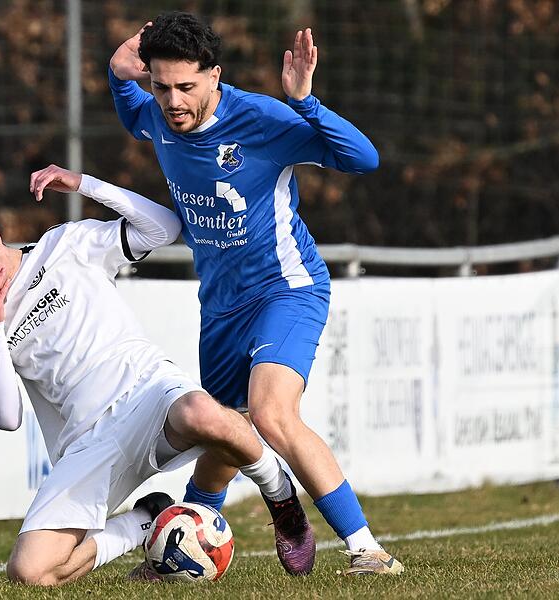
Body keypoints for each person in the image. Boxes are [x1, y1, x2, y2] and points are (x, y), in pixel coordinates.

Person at [0, 164, 309, 586]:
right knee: (30, 572)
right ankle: (143, 520)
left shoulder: (66, 245)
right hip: (87, 445)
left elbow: (164, 227)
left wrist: (85, 185)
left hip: (147, 393)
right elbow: (7, 418)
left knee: (204, 414)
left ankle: (281, 498)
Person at [109, 12, 403, 575]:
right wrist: (120, 76)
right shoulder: (158, 116)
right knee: (223, 439)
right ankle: (182, 547)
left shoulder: (262, 119)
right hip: (220, 306)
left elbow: (364, 159)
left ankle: (367, 550)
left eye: (186, 88)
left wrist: (305, 103)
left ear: (215, 76)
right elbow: (133, 115)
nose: (173, 101)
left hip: (286, 289)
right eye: (161, 86)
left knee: (270, 414)